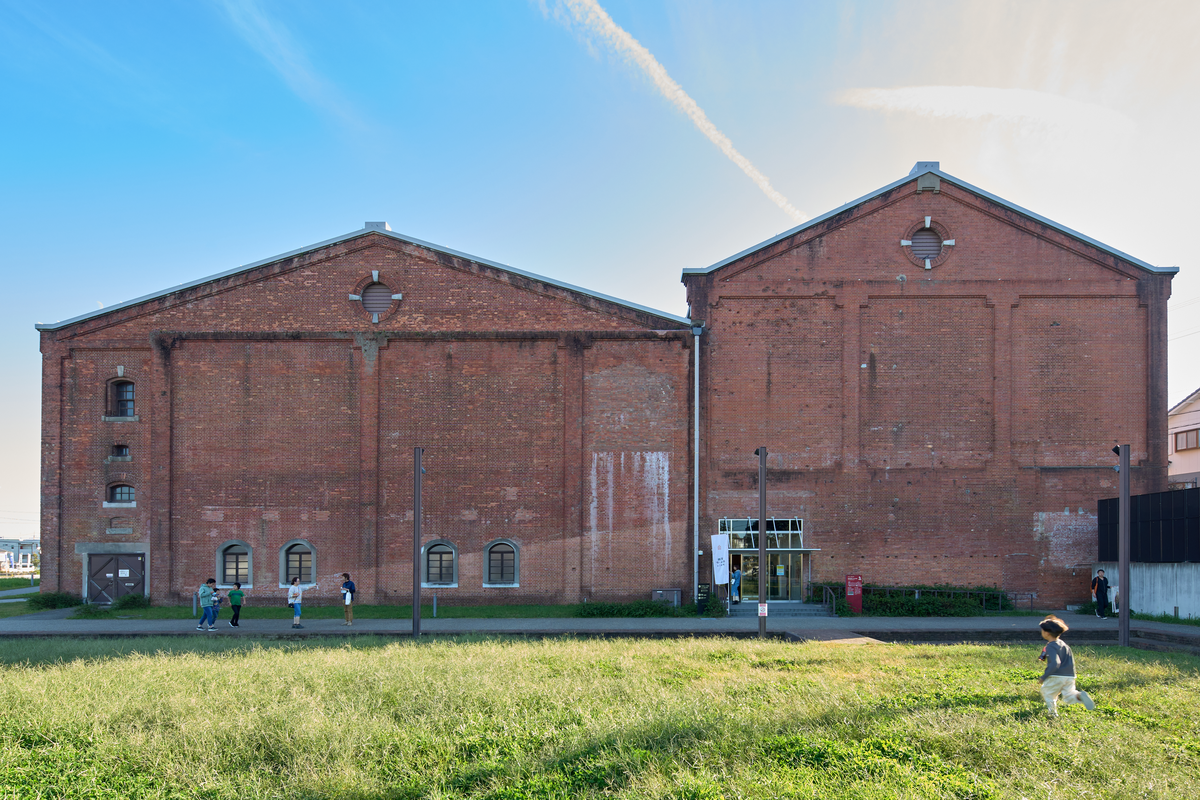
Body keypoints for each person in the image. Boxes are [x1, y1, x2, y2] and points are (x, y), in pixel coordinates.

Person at [1036, 614, 1095, 718]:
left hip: (1056, 675)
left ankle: (1053, 713)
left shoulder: (1051, 646)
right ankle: (1079, 696)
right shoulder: (1063, 644)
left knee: (1047, 692)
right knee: (1069, 695)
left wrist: (1044, 676)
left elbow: (1055, 663)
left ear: (1047, 633)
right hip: (1070, 675)